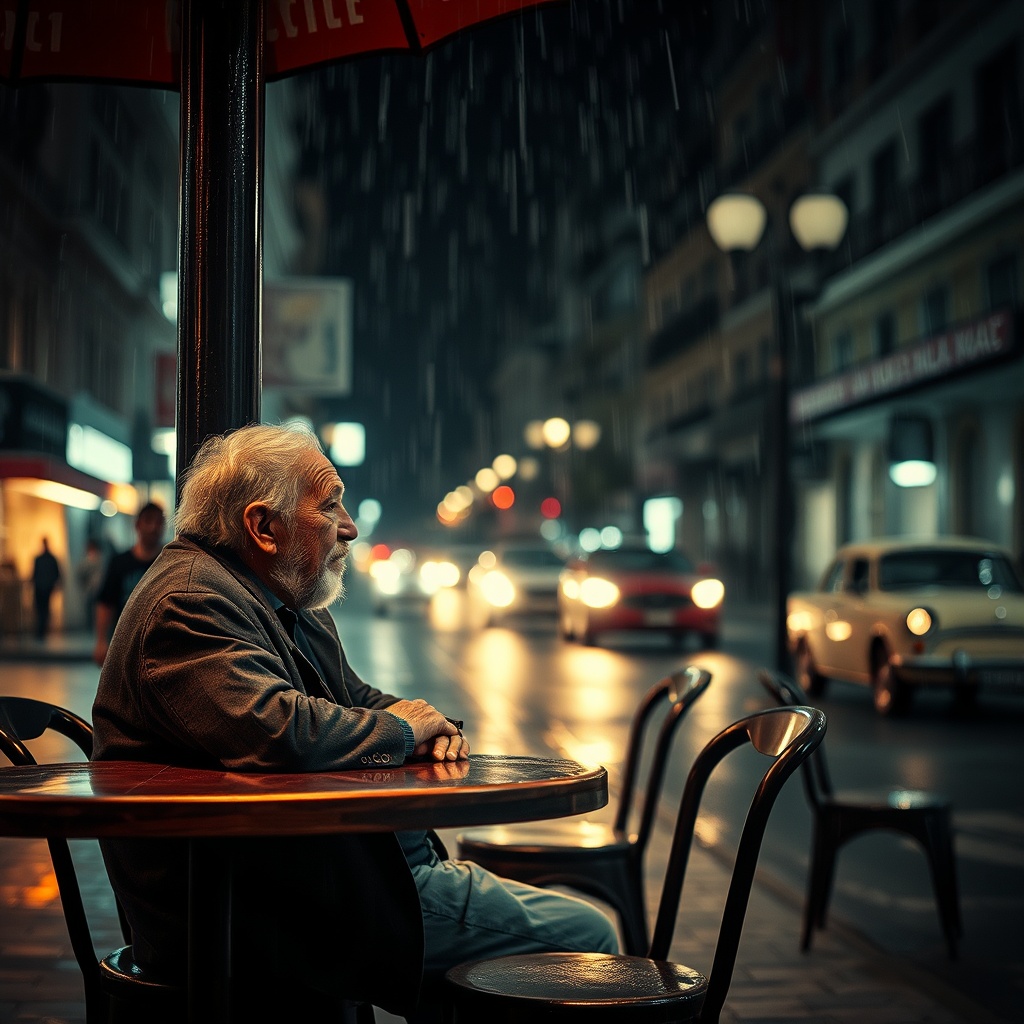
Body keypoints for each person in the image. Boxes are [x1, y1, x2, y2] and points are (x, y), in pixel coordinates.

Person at [91, 423, 617, 1022]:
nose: (350, 525)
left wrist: (427, 722)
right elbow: (279, 731)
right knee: (589, 938)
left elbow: (360, 700)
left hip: (326, 878)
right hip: (266, 911)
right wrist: (404, 731)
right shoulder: (189, 601)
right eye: (330, 504)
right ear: (263, 528)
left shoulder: (280, 594)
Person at [92, 501, 166, 666]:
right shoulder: (120, 563)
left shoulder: (168, 562)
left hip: (160, 646)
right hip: (124, 644)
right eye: (149, 521)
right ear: (138, 525)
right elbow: (106, 602)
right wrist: (101, 641)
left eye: (159, 522)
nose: (154, 527)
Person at [31, 537, 61, 640]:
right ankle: (41, 631)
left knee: (41, 610)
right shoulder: (50, 558)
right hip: (45, 587)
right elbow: (57, 574)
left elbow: (34, 574)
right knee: (43, 610)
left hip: (41, 587)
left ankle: (41, 631)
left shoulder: (40, 559)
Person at [76, 539, 104, 632]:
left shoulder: (100, 560)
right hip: (89, 589)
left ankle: (96, 627)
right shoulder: (86, 561)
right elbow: (80, 575)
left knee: (98, 609)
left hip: (99, 589)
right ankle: (90, 628)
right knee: (89, 609)